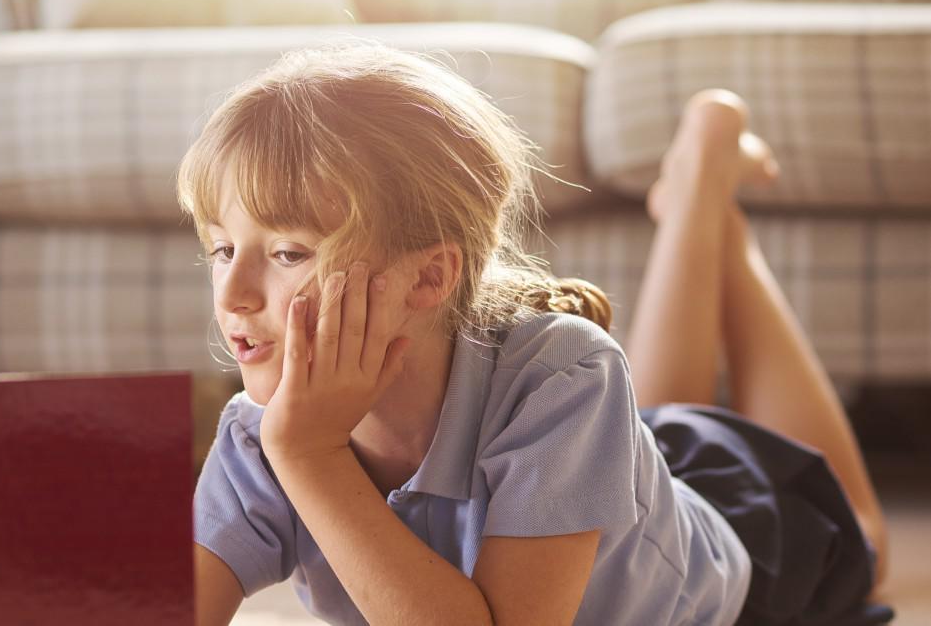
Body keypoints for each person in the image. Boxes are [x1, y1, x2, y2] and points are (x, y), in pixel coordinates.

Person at [179, 43, 890, 625]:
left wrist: (310, 456)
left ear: (427, 279)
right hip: (616, 486)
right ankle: (695, 201)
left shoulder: (562, 377)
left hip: (732, 563)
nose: (234, 296)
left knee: (862, 535)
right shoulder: (258, 438)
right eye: (220, 250)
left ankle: (705, 189)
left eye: (288, 253)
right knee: (644, 438)